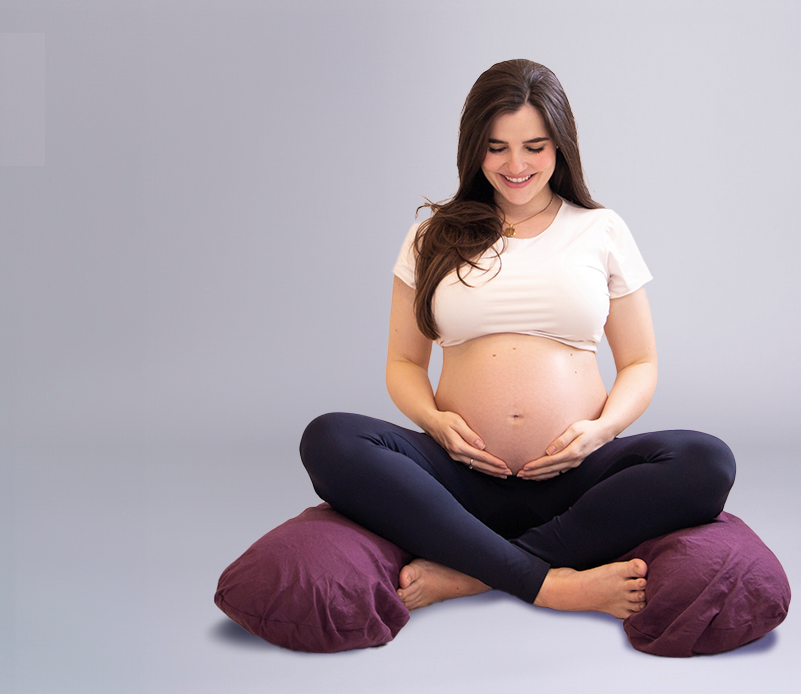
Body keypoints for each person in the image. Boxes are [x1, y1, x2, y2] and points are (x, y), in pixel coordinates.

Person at [300, 59, 735, 620]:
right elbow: (404, 362)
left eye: (535, 145)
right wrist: (434, 423)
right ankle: (551, 583)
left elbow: (642, 361)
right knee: (329, 438)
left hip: (575, 476)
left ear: (561, 145)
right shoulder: (431, 236)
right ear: (473, 148)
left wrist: (599, 431)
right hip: (459, 476)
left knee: (706, 461)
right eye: (497, 147)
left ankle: (474, 573)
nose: (516, 165)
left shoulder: (600, 230)